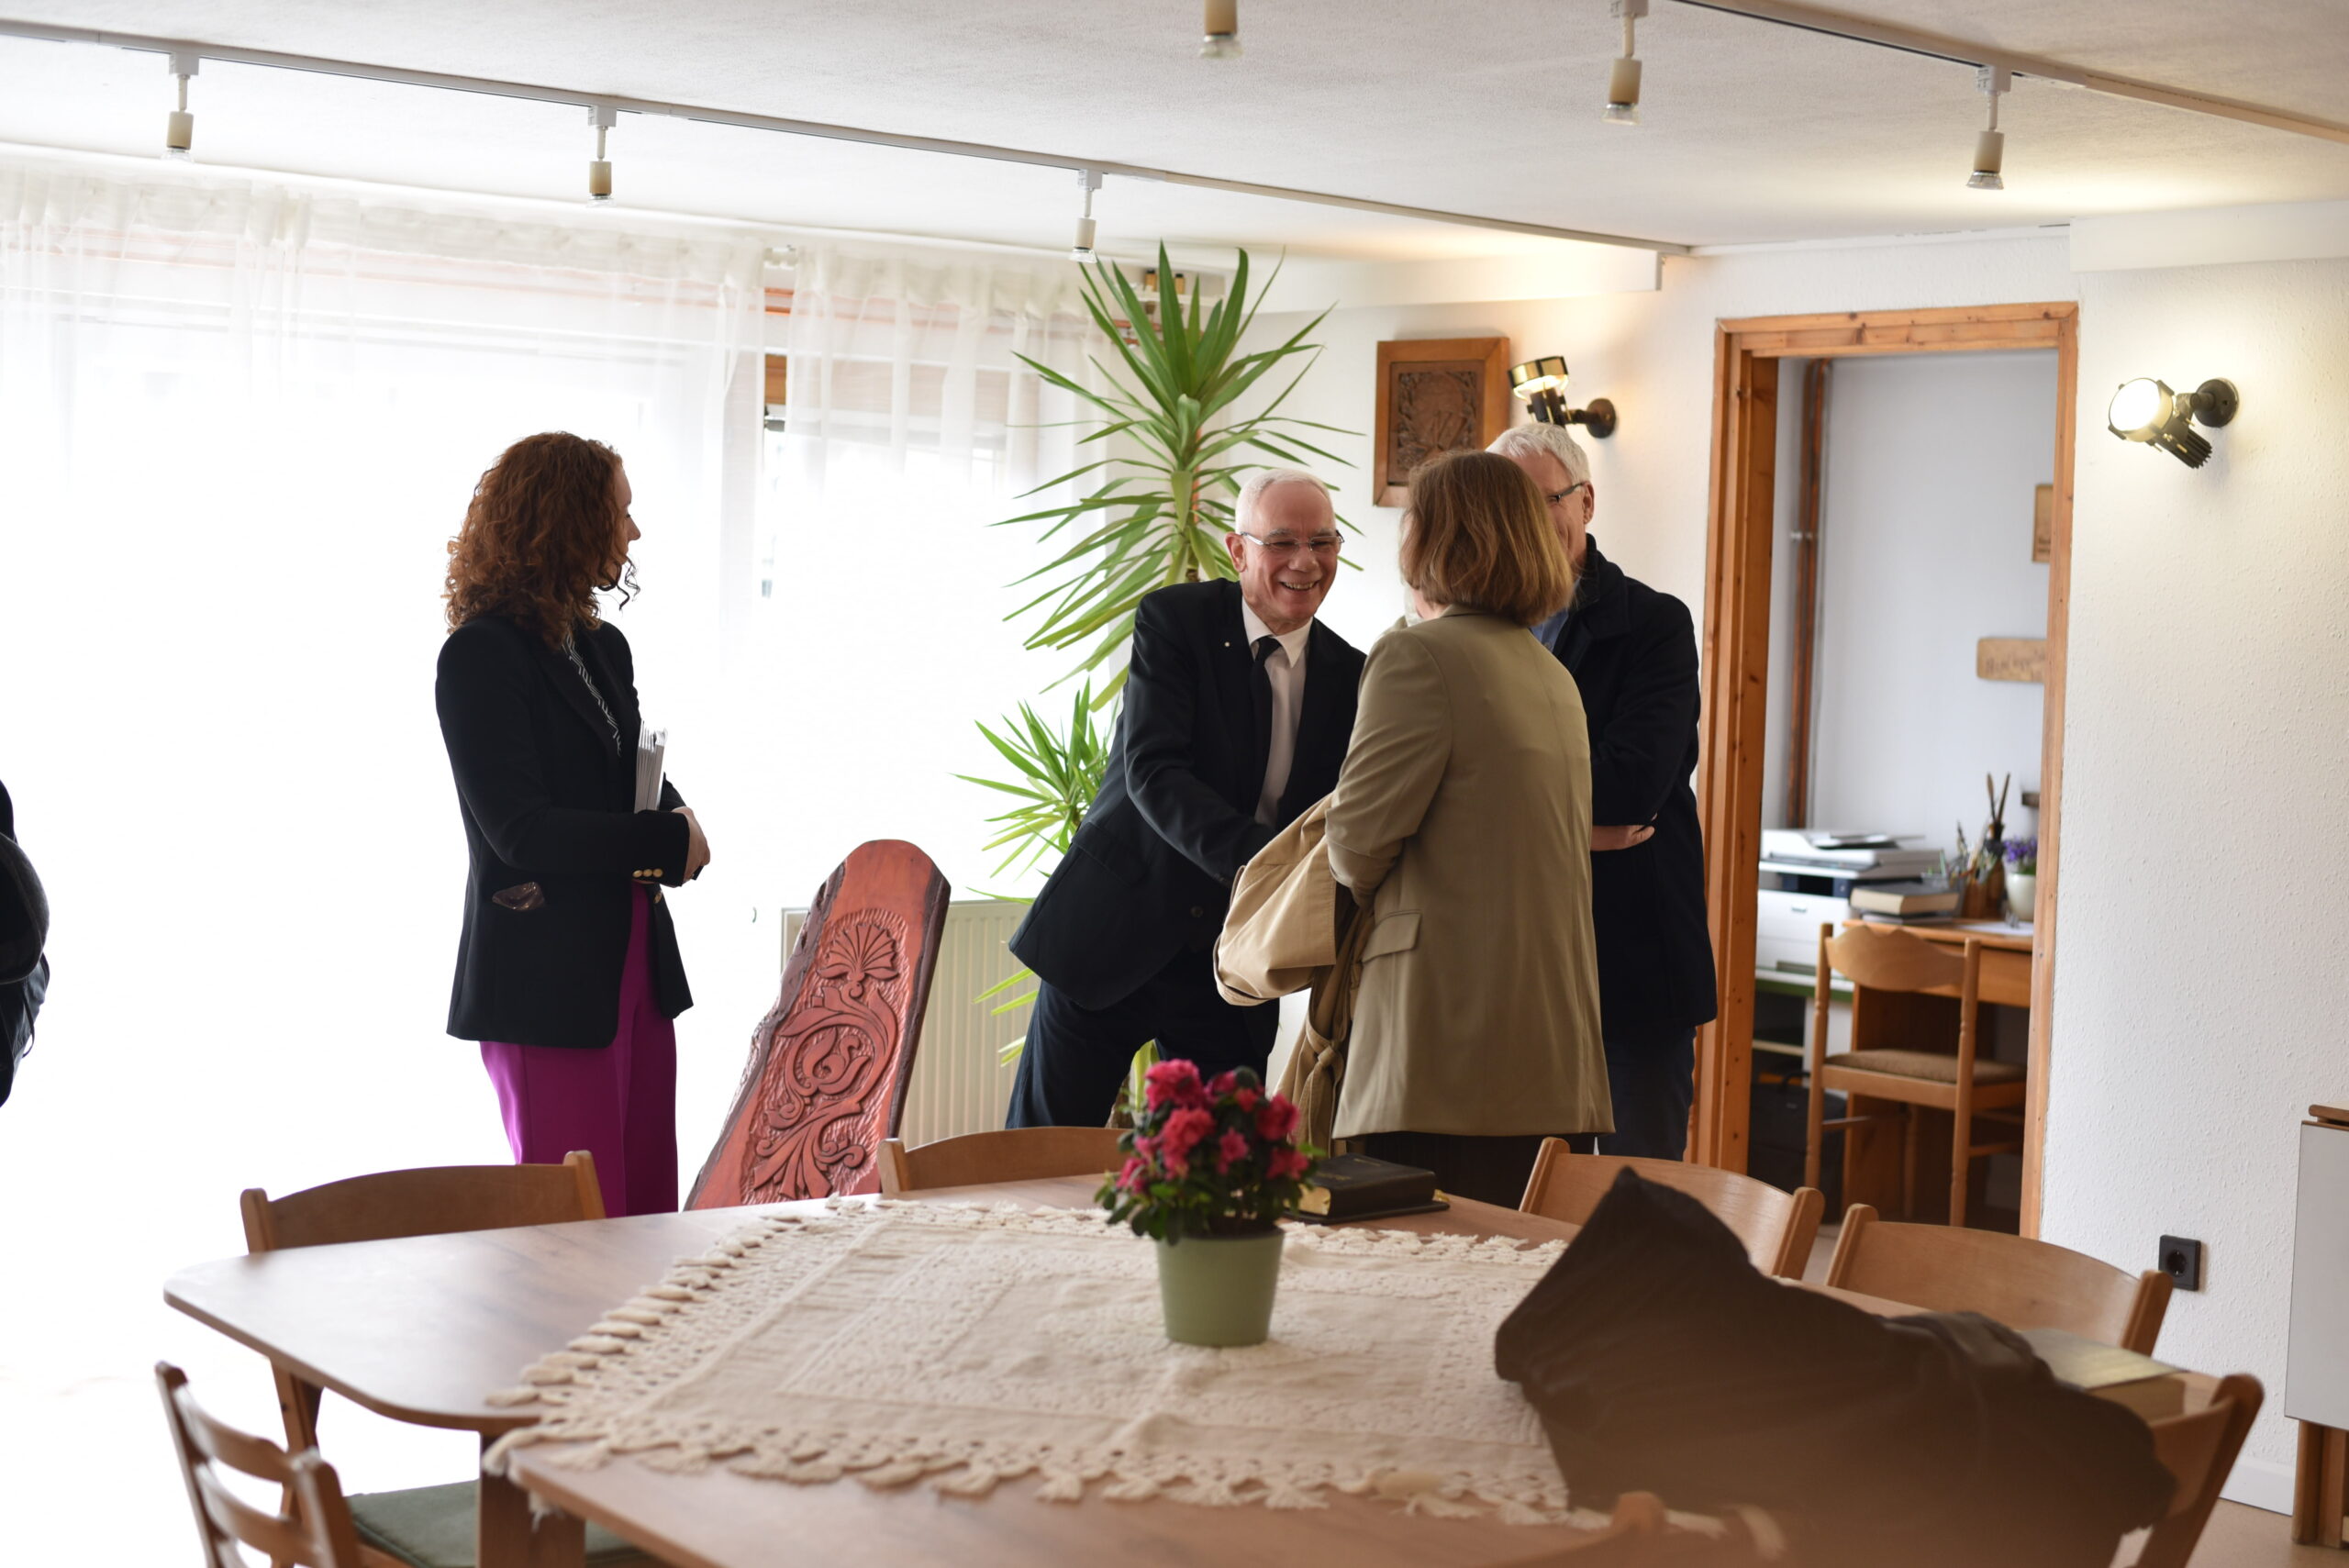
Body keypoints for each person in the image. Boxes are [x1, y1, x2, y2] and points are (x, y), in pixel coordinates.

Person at [1007, 469, 1365, 1129]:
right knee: (1037, 1160)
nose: (1305, 561)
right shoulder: (1176, 620)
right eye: (1281, 542)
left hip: (1231, 967)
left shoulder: (1353, 674)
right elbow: (1153, 770)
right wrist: (1266, 865)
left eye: (1323, 542)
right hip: (1113, 931)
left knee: (1225, 1166)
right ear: (1238, 550)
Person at [435, 432, 711, 1216]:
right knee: (576, 1228)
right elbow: (520, 830)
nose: (633, 532)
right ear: (567, 521)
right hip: (546, 976)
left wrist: (679, 815)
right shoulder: (479, 657)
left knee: (648, 1214)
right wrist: (668, 841)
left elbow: (629, 767)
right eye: (620, 513)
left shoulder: (601, 646)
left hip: (634, 956)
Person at [1326, 450, 1610, 1206]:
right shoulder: (1552, 674)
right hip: (1548, 1048)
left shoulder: (1417, 656)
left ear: (1437, 535)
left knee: (1414, 1270)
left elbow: (1353, 849)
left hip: (1442, 1046)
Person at [1491, 421, 1718, 1160]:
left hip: (1634, 964)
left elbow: (1628, 785)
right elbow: (1448, 788)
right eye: (1504, 507)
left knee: (1635, 1200)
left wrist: (1498, 802)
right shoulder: (1475, 630)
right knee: (1517, 1200)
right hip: (1515, 969)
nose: (1523, 524)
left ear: (1585, 502)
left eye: (1542, 502)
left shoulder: (1655, 623)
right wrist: (1570, 830)